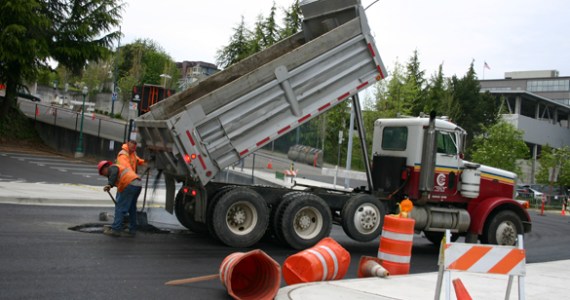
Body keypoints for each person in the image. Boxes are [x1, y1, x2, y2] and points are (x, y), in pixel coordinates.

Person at [97, 160, 142, 237]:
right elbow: (119, 186)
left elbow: (114, 174)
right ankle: (132, 229)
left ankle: (116, 229)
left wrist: (109, 185)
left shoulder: (113, 168)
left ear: (105, 168)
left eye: (102, 173)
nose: (104, 175)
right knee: (131, 208)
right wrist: (110, 186)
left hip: (129, 183)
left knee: (120, 208)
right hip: (137, 185)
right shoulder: (117, 171)